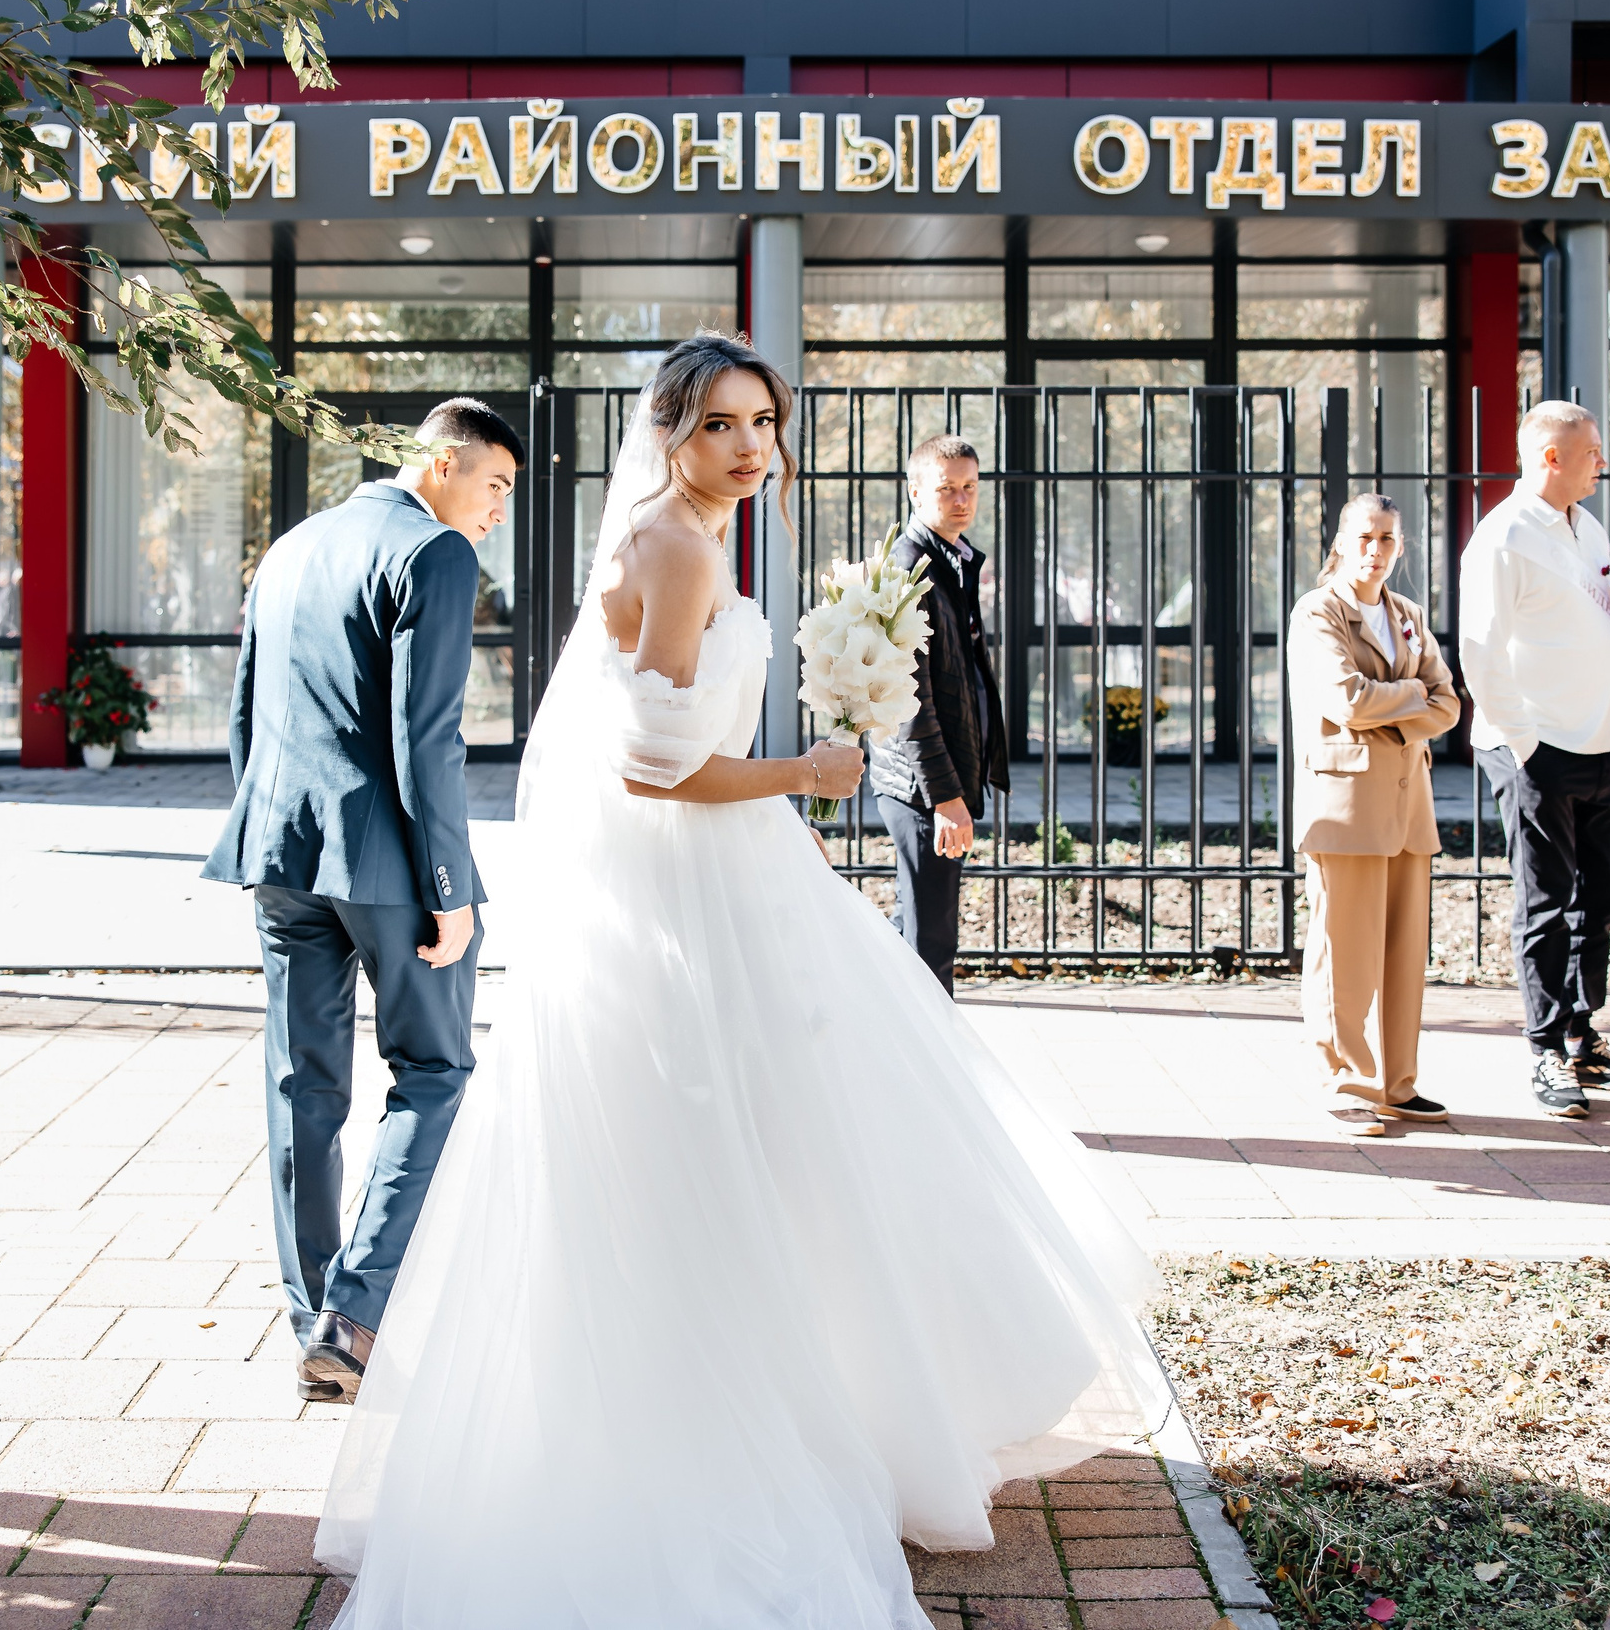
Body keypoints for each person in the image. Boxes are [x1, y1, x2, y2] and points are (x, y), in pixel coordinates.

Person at [313, 335, 1174, 1628]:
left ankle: (785, 1403)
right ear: (671, 431)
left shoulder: (679, 535)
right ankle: (740, 1437)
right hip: (691, 882)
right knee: (760, 1149)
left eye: (763, 420)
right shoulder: (681, 544)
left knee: (772, 1143)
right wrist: (809, 772)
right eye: (722, 422)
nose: (751, 445)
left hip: (698, 876)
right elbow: (657, 767)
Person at [201, 397, 518, 1402]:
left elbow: (247, 711)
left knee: (303, 1086)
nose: (498, 511)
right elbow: (426, 738)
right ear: (442, 464)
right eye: (496, 486)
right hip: (390, 871)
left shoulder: (290, 547)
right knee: (432, 1071)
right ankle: (355, 1312)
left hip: (280, 855)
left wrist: (262, 840)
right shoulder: (434, 554)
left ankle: (310, 1316)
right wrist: (449, 889)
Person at [1458, 399, 1610, 1118]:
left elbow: (1605, 621)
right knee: (1545, 903)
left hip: (1599, 741)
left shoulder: (1589, 525)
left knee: (1598, 900)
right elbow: (1480, 650)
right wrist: (1523, 741)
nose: (1602, 461)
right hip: (1535, 747)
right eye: (1592, 451)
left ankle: (1582, 1036)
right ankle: (1544, 1048)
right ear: (1551, 456)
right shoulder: (1503, 537)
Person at [1288, 493, 1462, 1137]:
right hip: (1345, 806)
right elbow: (1346, 699)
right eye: (1365, 537)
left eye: (1388, 539)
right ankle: (1347, 1085)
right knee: (1345, 950)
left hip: (1406, 804)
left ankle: (1396, 1083)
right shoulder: (1318, 612)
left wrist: (1407, 701)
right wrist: (1412, 696)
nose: (1376, 550)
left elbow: (1451, 706)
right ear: (1341, 539)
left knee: (1400, 953)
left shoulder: (1407, 614)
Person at [868, 433, 1009, 994]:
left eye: (970, 487)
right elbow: (909, 703)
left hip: (939, 783)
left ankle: (889, 1050)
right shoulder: (911, 568)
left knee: (914, 931)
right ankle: (931, 1068)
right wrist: (947, 797)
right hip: (923, 790)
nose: (961, 500)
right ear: (915, 490)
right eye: (947, 488)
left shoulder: (952, 561)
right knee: (931, 948)